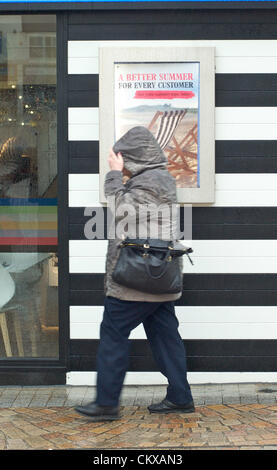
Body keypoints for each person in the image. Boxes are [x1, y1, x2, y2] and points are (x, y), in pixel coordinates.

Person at [75, 126, 194, 421]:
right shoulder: (158, 178)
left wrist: (114, 174)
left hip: (135, 279)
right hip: (157, 277)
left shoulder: (149, 182)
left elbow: (120, 211)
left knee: (113, 334)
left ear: (134, 158)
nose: (119, 163)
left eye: (121, 158)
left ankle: (106, 404)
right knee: (166, 337)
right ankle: (180, 397)